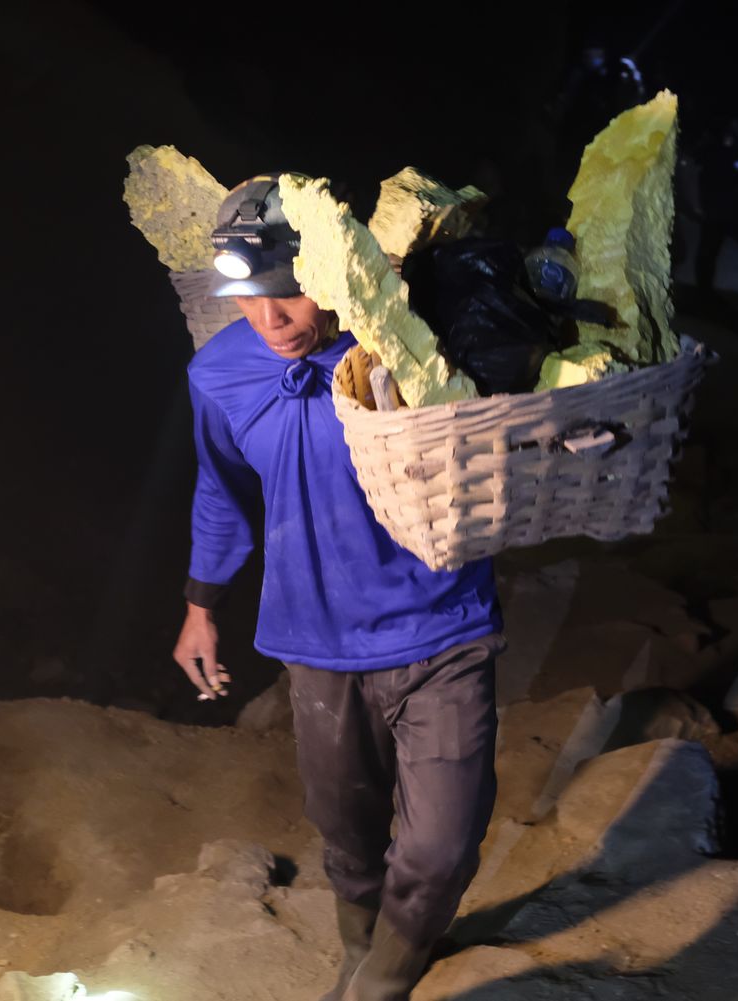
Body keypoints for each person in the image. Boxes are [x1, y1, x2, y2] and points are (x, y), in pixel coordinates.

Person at [170, 174, 506, 1001]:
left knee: (438, 847)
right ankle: (363, 949)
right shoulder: (219, 374)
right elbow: (221, 487)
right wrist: (200, 605)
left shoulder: (407, 349)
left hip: (442, 627)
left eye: (287, 295)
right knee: (349, 839)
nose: (269, 319)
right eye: (249, 299)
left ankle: (378, 983)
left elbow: (512, 418)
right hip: (315, 642)